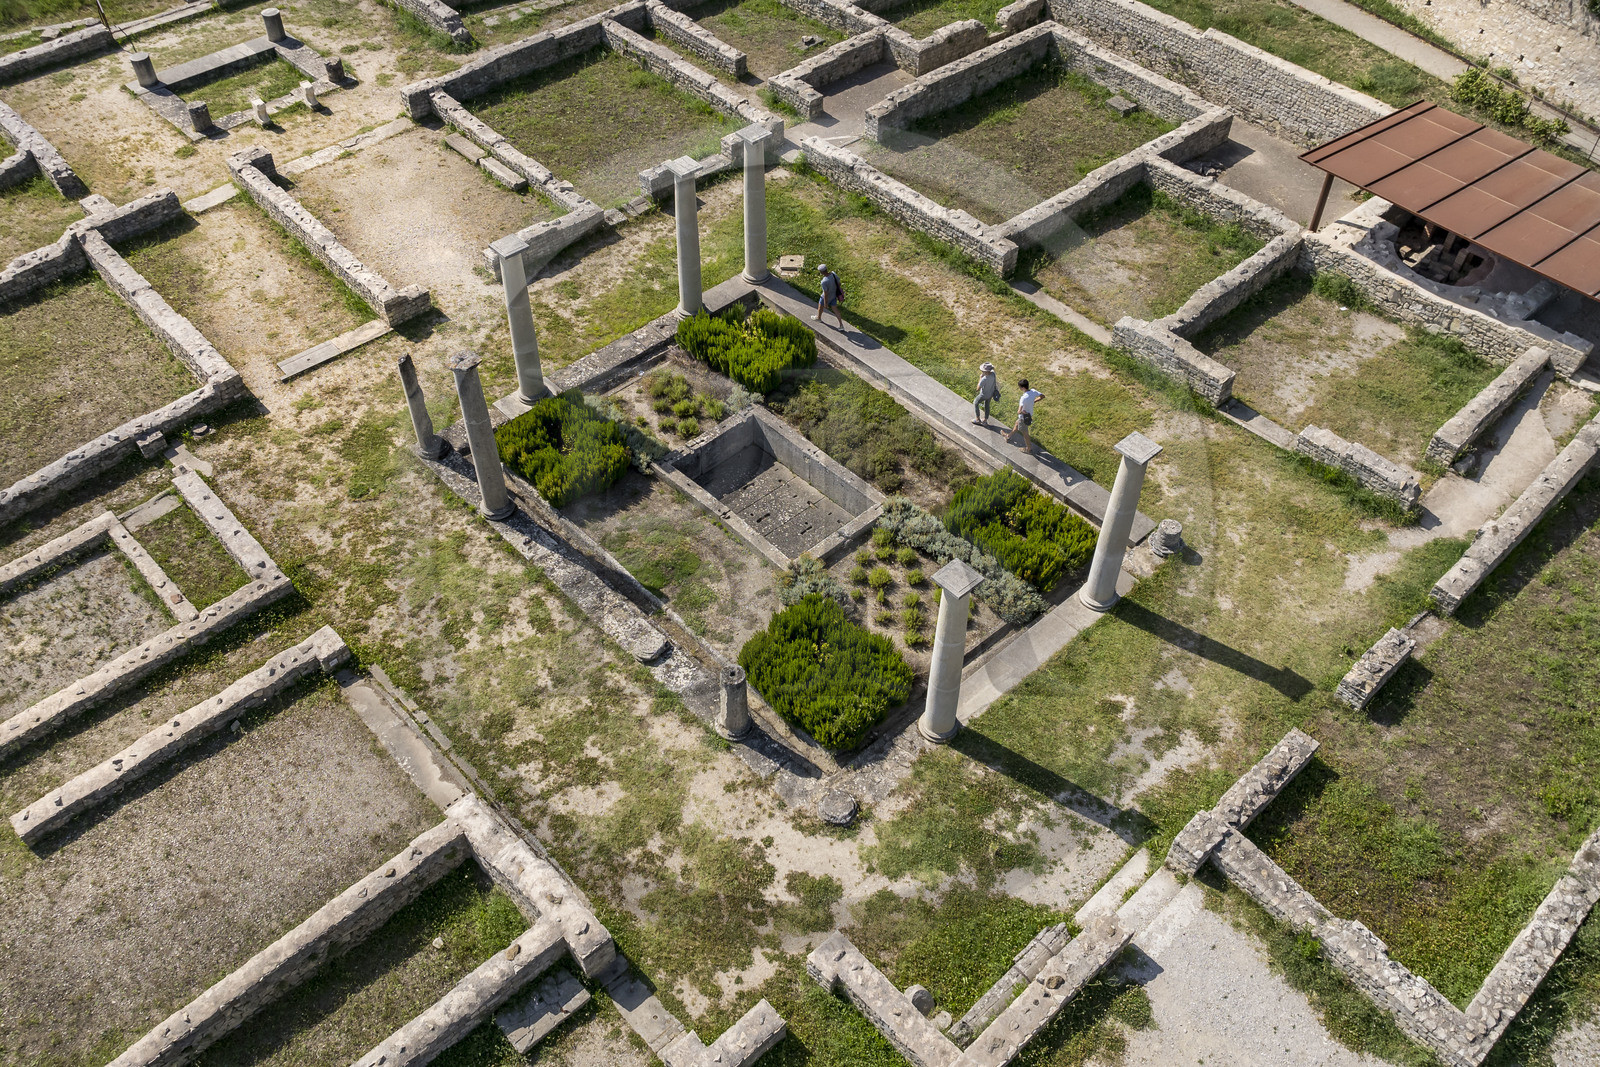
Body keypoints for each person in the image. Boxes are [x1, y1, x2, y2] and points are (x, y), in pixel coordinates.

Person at [1008, 378, 1044, 452]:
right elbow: (1042, 396)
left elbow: (1019, 411)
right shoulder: (1033, 391)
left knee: (1025, 434)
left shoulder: (1023, 398)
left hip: (1023, 418)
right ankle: (1008, 436)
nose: (1019, 388)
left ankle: (1028, 449)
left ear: (1023, 388)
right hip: (1029, 414)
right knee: (1016, 424)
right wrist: (1034, 401)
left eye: (1020, 387)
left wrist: (1023, 412)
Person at [815, 263, 845, 329]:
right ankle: (841, 325)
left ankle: (818, 318)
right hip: (834, 296)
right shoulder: (833, 274)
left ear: (821, 272)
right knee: (836, 310)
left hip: (826, 298)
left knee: (820, 307)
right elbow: (839, 283)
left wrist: (825, 303)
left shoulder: (824, 281)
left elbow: (826, 293)